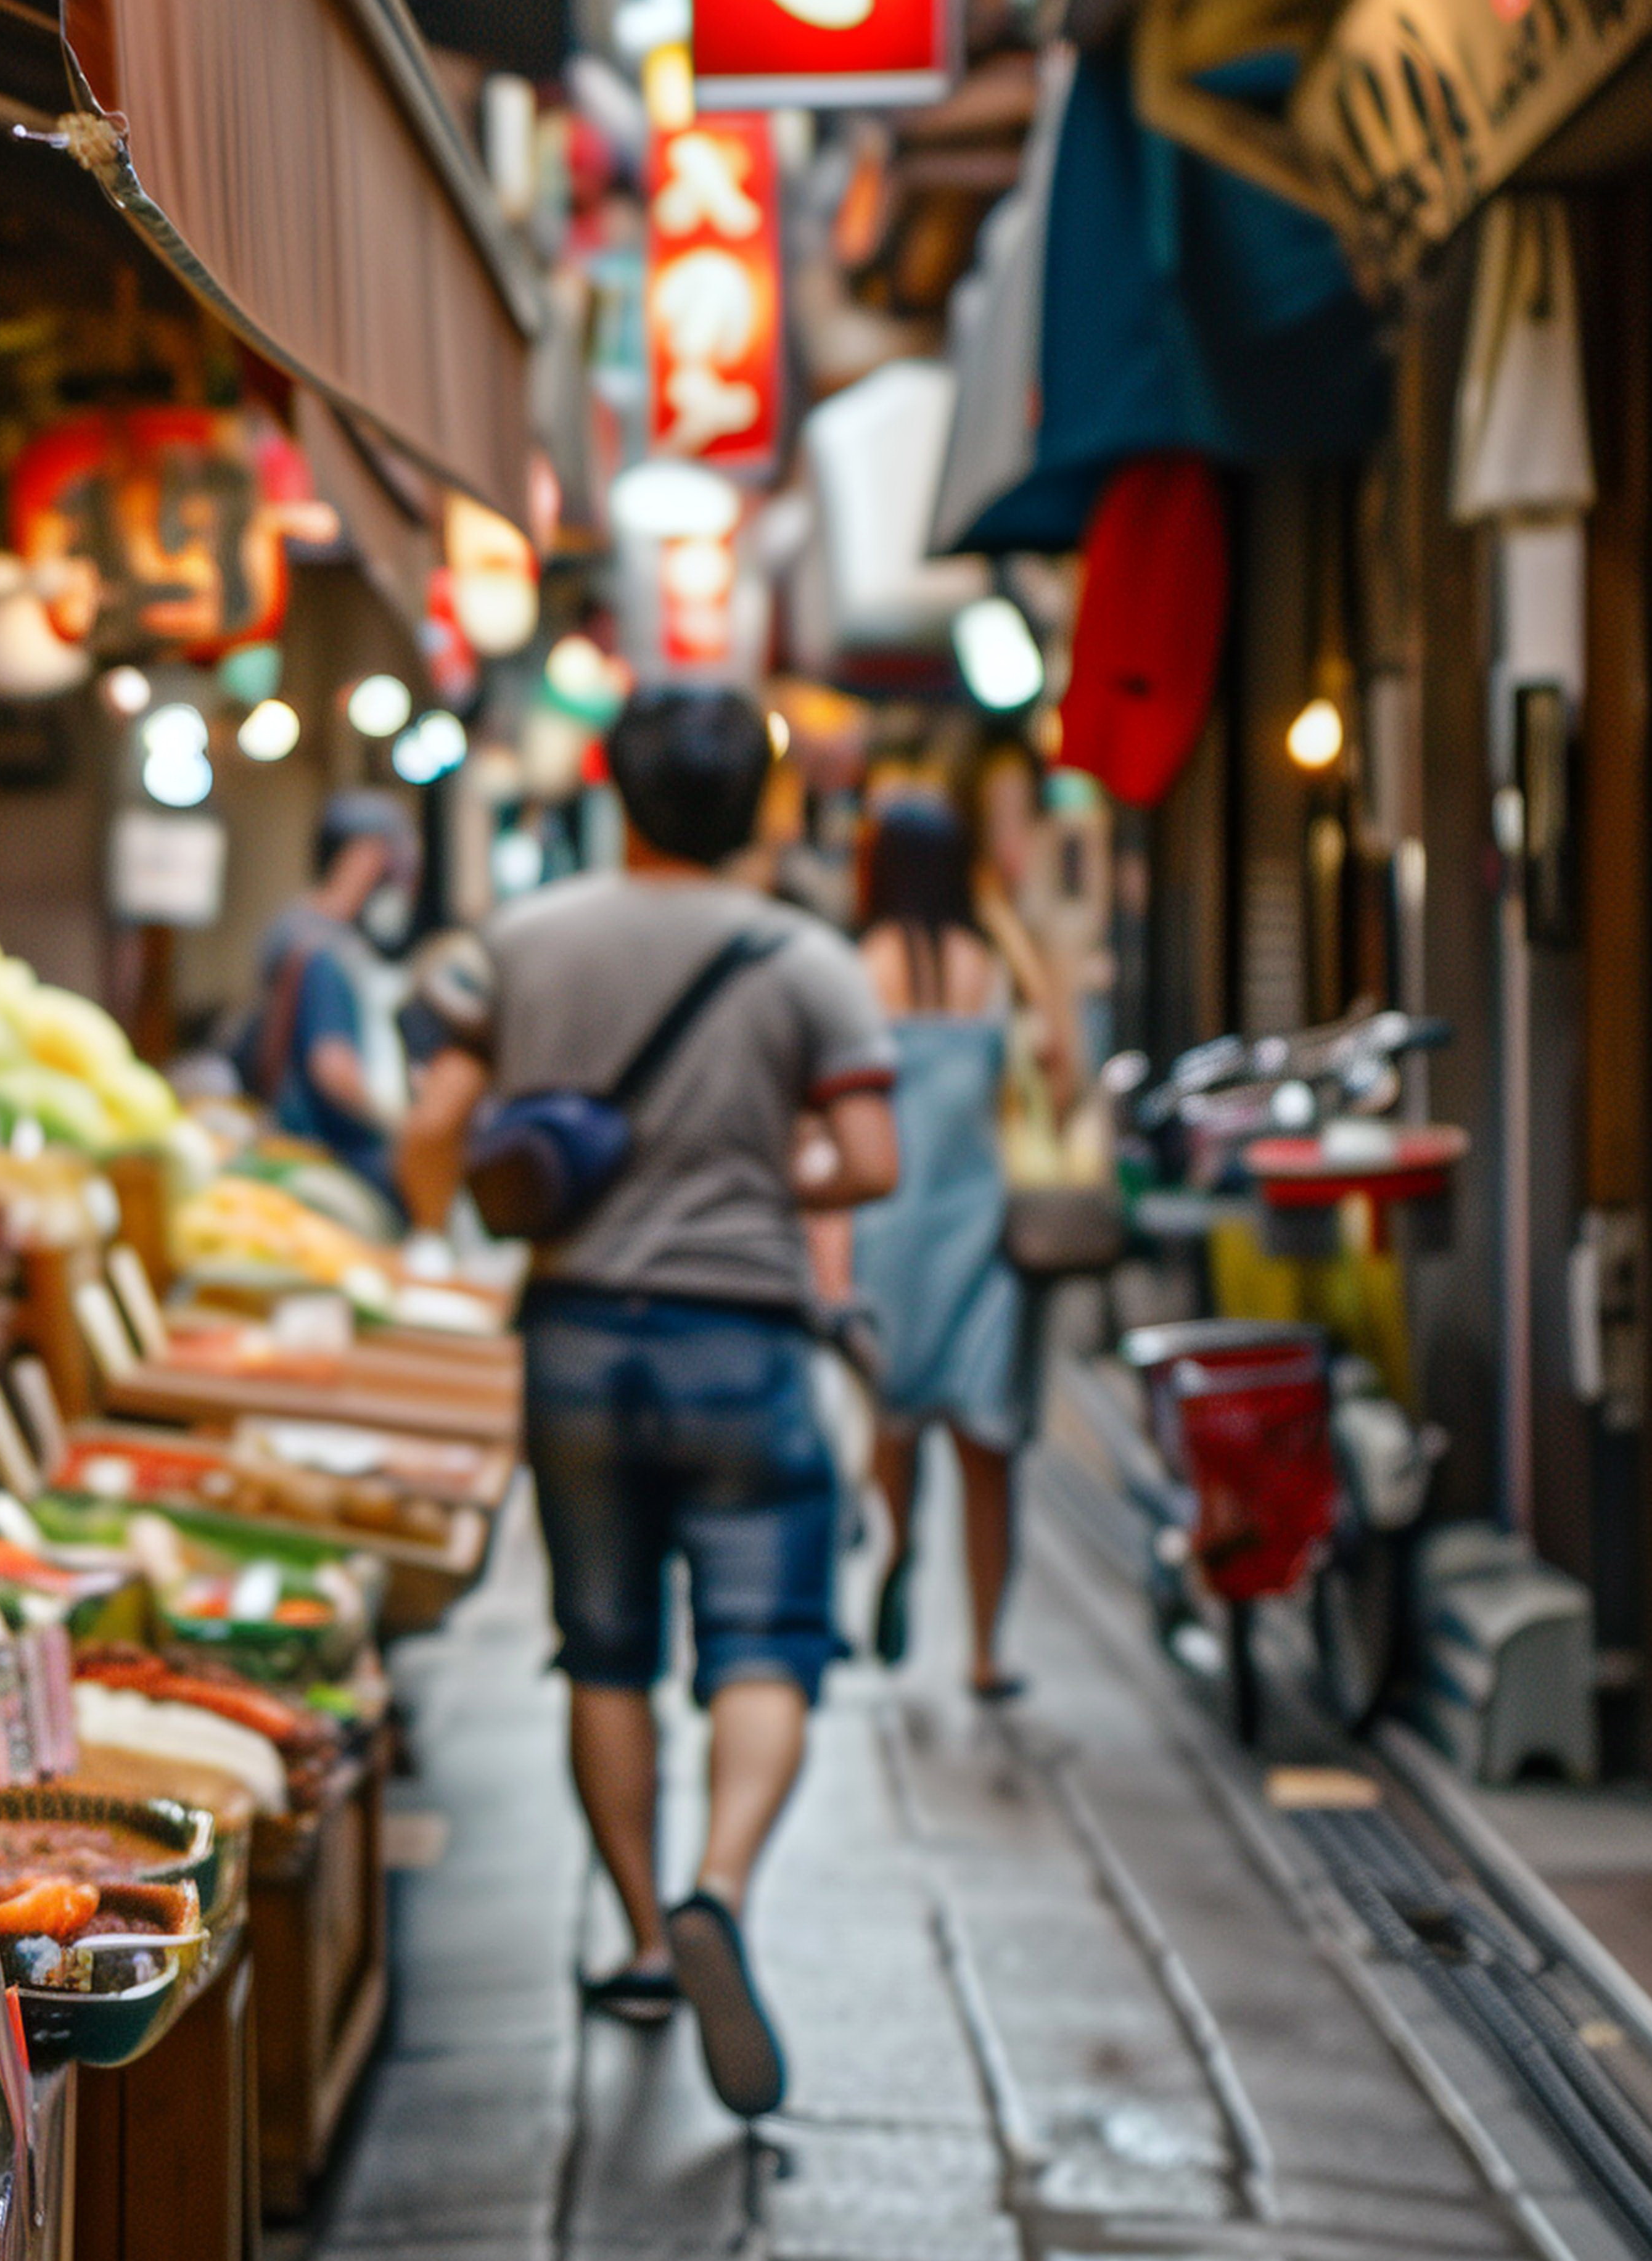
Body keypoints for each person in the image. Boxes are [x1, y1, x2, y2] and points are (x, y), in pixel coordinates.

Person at [400, 686, 898, 2119]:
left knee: (604, 1647)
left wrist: (449, 1227)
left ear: (617, 791)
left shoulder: (525, 937)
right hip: (743, 1341)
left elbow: (434, 1123)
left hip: (575, 1339)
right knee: (766, 1641)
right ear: (763, 803)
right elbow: (870, 1155)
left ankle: (635, 1937)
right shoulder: (809, 960)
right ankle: (720, 1889)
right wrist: (760, 1179)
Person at [842, 793, 1081, 1699]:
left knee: (894, 1422)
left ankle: (900, 1549)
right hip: (983, 1232)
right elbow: (1059, 1079)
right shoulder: (991, 964)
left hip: (889, 1230)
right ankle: (987, 1649)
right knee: (991, 1454)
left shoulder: (861, 969)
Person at [238, 793, 414, 1213]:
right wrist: (404, 1125)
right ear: (364, 857)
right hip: (327, 1155)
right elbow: (333, 1068)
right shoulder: (324, 949)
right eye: (391, 862)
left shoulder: (292, 925)